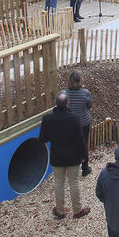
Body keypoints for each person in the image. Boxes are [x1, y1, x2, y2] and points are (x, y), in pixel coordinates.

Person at [37, 91, 90, 219]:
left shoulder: (47, 119)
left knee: (58, 183)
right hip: (73, 156)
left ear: (55, 103)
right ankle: (77, 210)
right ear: (68, 103)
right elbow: (80, 140)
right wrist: (84, 156)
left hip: (57, 156)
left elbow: (42, 139)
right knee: (74, 182)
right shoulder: (74, 119)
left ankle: (60, 211)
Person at [64, 70, 93, 177]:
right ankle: (85, 168)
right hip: (84, 122)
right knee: (84, 144)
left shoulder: (64, 93)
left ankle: (71, 168)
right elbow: (89, 106)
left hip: (70, 123)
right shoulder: (85, 93)